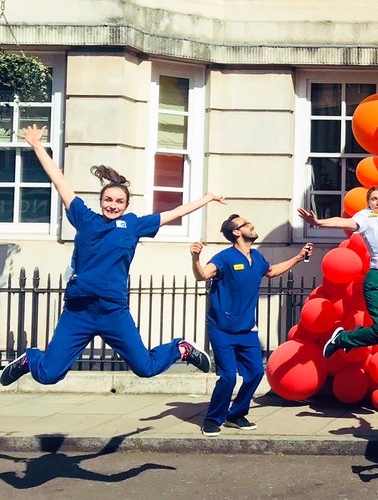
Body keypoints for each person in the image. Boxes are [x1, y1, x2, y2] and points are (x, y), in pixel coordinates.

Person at [0, 125, 220, 388]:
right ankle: (29, 360)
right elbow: (60, 181)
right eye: (108, 200)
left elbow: (175, 213)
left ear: (126, 205)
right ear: (101, 200)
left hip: (113, 311)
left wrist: (206, 199)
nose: (112, 205)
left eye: (118, 202)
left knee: (146, 368)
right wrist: (37, 145)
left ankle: (181, 349)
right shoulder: (84, 217)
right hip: (78, 310)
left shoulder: (133, 226)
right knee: (48, 375)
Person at [296, 152, 378, 364]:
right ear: (368, 202)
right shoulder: (364, 218)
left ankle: (356, 337)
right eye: (373, 199)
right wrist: (318, 223)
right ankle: (343, 338)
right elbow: (341, 221)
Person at [190, 218, 313, 436]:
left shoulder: (256, 257)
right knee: (228, 377)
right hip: (222, 329)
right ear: (236, 233)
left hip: (247, 330)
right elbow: (202, 276)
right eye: (246, 224)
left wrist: (298, 257)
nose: (252, 225)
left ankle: (235, 414)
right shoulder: (225, 258)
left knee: (256, 373)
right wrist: (195, 258)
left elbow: (272, 271)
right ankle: (212, 418)